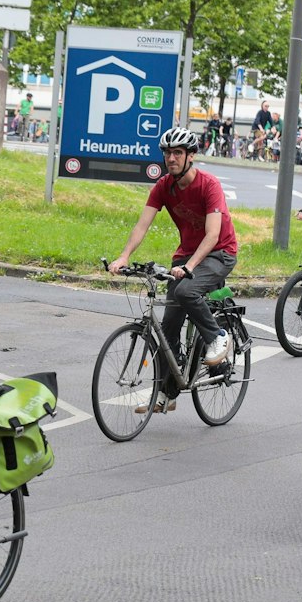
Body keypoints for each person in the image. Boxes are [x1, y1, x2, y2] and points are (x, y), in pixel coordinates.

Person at [109, 127, 238, 414]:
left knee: (186, 290)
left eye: (178, 153)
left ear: (191, 156)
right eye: (167, 153)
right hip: (187, 256)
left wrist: (190, 267)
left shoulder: (209, 185)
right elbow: (142, 225)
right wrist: (124, 256)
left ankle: (217, 336)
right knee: (168, 329)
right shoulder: (163, 186)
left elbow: (213, 234)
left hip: (219, 252)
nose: (171, 158)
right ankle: (168, 394)